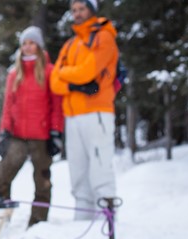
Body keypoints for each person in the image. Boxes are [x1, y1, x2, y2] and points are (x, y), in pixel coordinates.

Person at [50, 0, 119, 220]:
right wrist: (74, 84)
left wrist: (66, 74)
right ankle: (82, 219)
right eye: (74, 10)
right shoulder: (70, 44)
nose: (78, 14)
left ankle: (108, 221)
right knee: (77, 171)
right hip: (72, 115)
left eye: (82, 9)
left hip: (97, 112)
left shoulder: (104, 36)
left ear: (92, 10)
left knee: (100, 167)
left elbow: (88, 71)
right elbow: (54, 81)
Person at [0, 26, 64, 228]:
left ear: (39, 46)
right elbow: (8, 106)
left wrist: (56, 132)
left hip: (42, 135)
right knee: (3, 173)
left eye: (32, 43)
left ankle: (38, 221)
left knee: (42, 179)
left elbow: (56, 106)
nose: (27, 47)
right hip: (17, 135)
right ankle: (2, 217)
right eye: (24, 43)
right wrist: (4, 133)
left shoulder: (50, 72)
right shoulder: (14, 74)